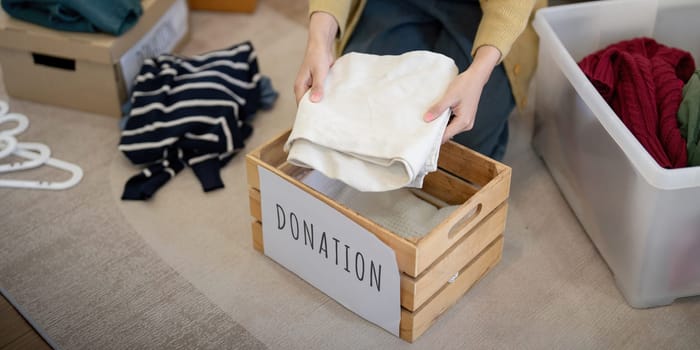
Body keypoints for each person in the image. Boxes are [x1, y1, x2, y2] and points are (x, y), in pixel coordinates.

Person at [294, 0, 547, 161]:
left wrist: (479, 73)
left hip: (488, 9)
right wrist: (319, 39)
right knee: (360, 105)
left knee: (456, 141)